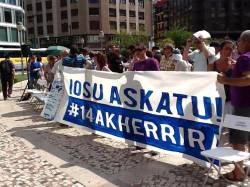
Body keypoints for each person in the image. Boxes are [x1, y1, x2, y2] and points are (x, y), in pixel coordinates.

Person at [217, 30, 250, 181]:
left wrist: (226, 81)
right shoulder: (244, 60)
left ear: (245, 42)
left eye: (239, 42)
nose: (238, 45)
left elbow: (248, 79)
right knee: (248, 140)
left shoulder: (244, 58)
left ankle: (238, 174)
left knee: (238, 141)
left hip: (242, 106)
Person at [208, 40, 235, 114]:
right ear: (220, 49)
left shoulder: (235, 65)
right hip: (215, 100)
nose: (229, 51)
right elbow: (208, 83)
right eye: (226, 48)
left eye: (231, 49)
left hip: (230, 102)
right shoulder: (211, 65)